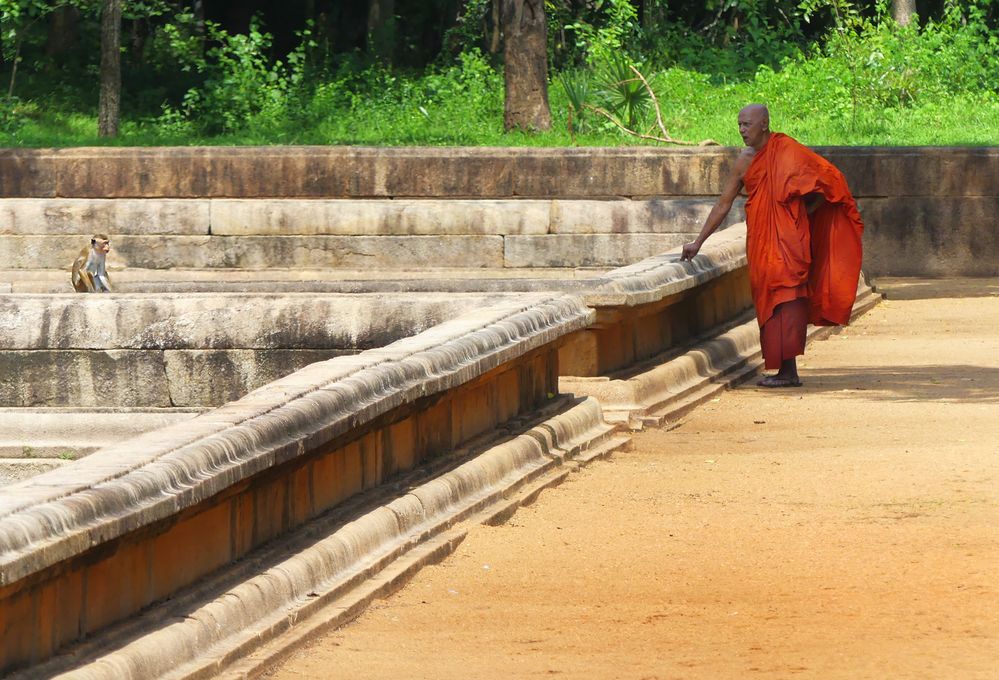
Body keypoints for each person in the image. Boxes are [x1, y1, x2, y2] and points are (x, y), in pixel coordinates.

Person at [681, 104, 863, 387]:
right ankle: (784, 370)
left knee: (788, 297)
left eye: (747, 125)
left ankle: (789, 372)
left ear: (764, 124)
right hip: (763, 239)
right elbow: (723, 203)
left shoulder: (787, 150)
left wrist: (803, 213)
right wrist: (698, 241)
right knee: (768, 297)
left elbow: (831, 182)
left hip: (790, 239)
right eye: (739, 124)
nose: (742, 130)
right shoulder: (744, 160)